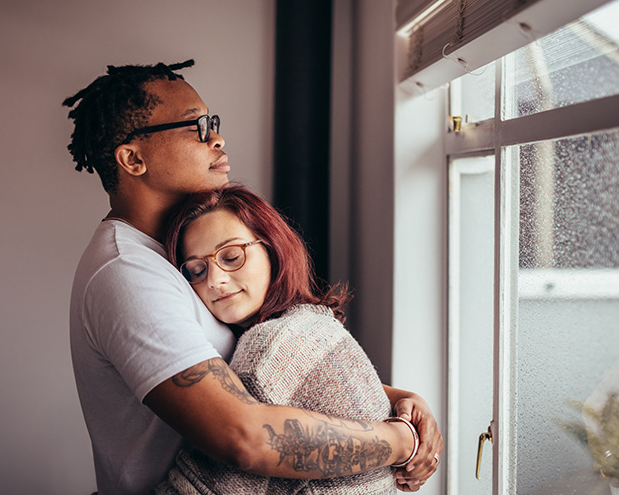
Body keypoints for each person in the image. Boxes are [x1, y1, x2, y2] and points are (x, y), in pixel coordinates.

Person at [63, 61, 442, 495]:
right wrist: (399, 441)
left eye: (213, 124)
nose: (217, 138)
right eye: (196, 126)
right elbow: (244, 436)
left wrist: (396, 401)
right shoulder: (129, 273)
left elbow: (264, 376)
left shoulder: (172, 252)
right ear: (133, 158)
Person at [154, 185, 430, 494]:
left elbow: (202, 488)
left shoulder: (269, 344)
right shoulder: (313, 323)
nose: (215, 280)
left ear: (272, 248)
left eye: (232, 256)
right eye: (197, 269)